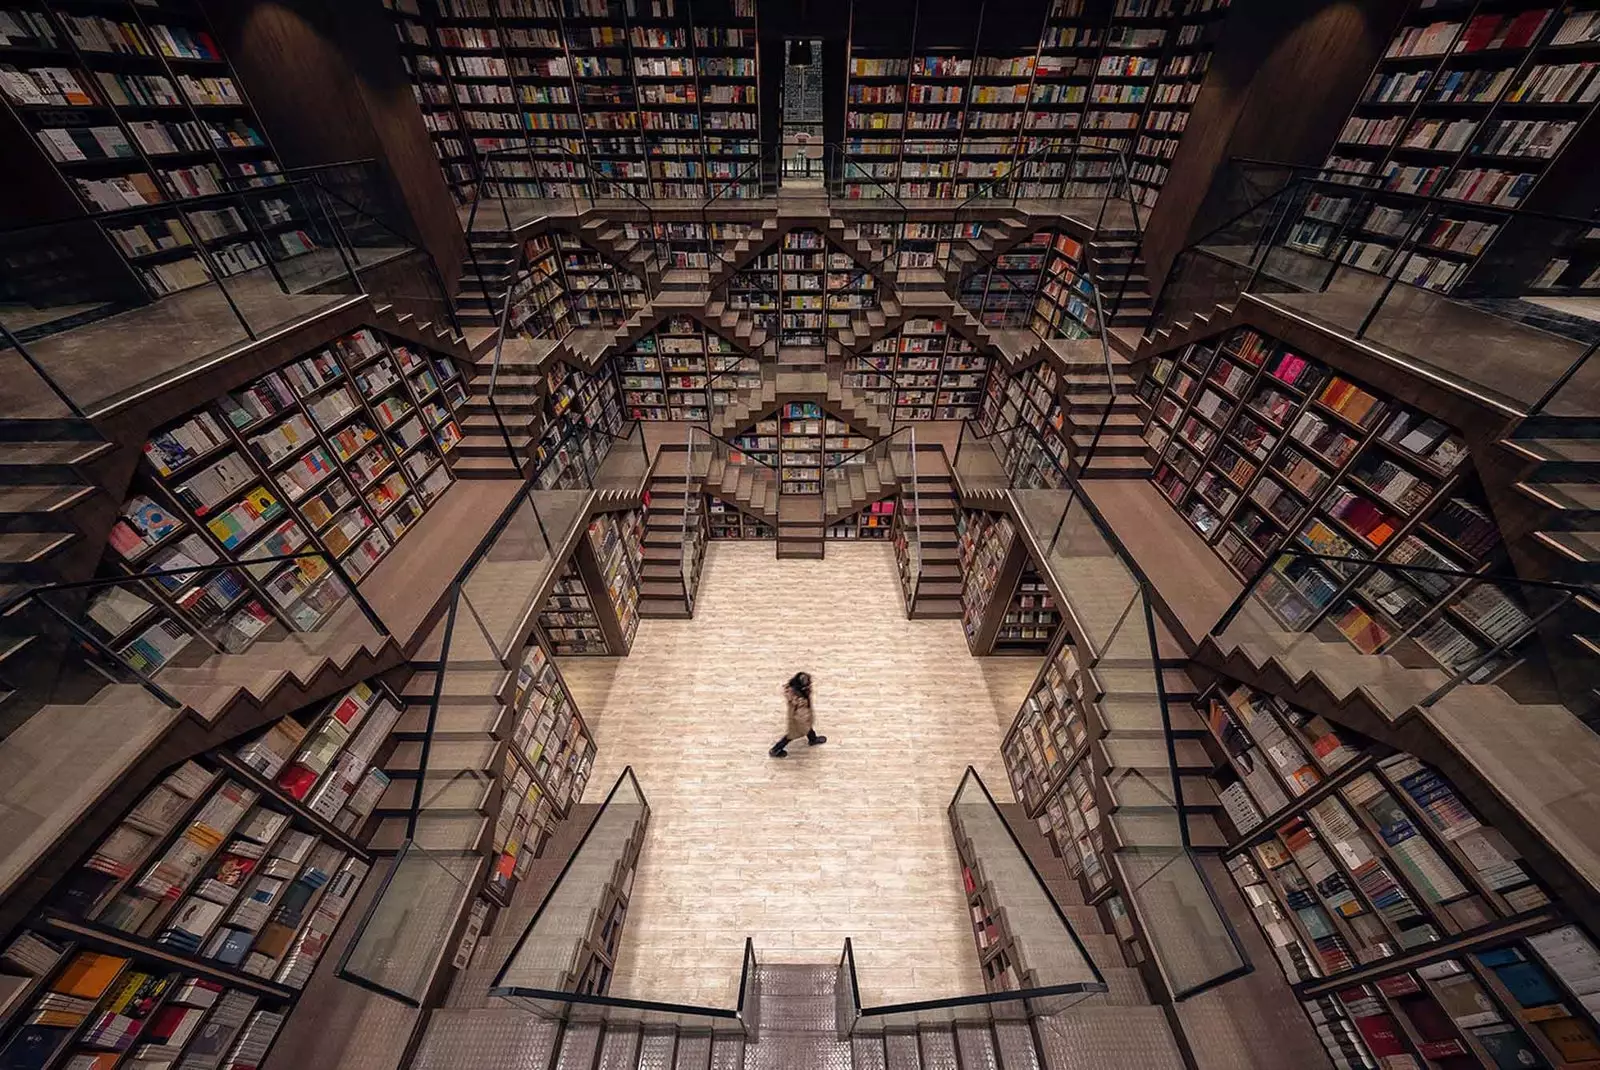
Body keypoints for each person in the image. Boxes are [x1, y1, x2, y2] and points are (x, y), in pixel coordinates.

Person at [769, 672, 826, 758]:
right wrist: (805, 719)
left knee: (808, 727)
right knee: (791, 735)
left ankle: (812, 739)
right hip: (799, 718)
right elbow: (801, 712)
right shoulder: (799, 698)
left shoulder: (794, 689)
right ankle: (776, 749)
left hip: (802, 716)